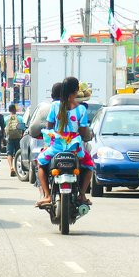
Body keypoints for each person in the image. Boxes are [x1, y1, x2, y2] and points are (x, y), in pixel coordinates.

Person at [35, 77, 94, 207]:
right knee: (89, 166)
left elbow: (50, 126)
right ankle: (82, 195)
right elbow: (83, 132)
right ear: (76, 91)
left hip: (56, 146)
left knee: (40, 163)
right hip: (74, 148)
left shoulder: (55, 106)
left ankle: (47, 195)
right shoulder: (81, 110)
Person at [4, 104, 22, 177]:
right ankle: (17, 169)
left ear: (9, 110)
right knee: (18, 153)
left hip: (9, 138)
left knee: (9, 153)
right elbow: (23, 127)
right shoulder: (20, 118)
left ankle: (11, 167)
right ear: (15, 110)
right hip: (18, 137)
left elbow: (3, 128)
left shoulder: (6, 118)